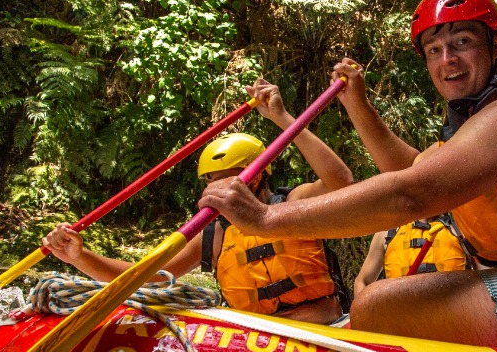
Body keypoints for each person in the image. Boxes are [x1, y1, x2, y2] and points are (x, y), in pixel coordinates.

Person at [197, 0, 497, 350]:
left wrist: (264, 219)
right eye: (434, 51)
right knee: (391, 299)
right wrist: (357, 103)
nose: (449, 60)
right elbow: (408, 169)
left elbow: (411, 194)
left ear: (495, 45)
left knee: (381, 304)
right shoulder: (475, 126)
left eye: (462, 42)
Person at [40, 78, 354, 324]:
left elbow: (340, 182)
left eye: (223, 177)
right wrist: (80, 257)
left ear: (255, 176)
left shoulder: (293, 203)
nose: (213, 188)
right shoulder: (213, 233)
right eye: (209, 179)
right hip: (259, 341)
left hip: (326, 330)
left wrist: (282, 117)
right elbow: (146, 279)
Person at [352, 215, 471, 295]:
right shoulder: (386, 233)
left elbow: (486, 278)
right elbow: (362, 282)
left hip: (451, 321)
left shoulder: (462, 229)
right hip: (402, 322)